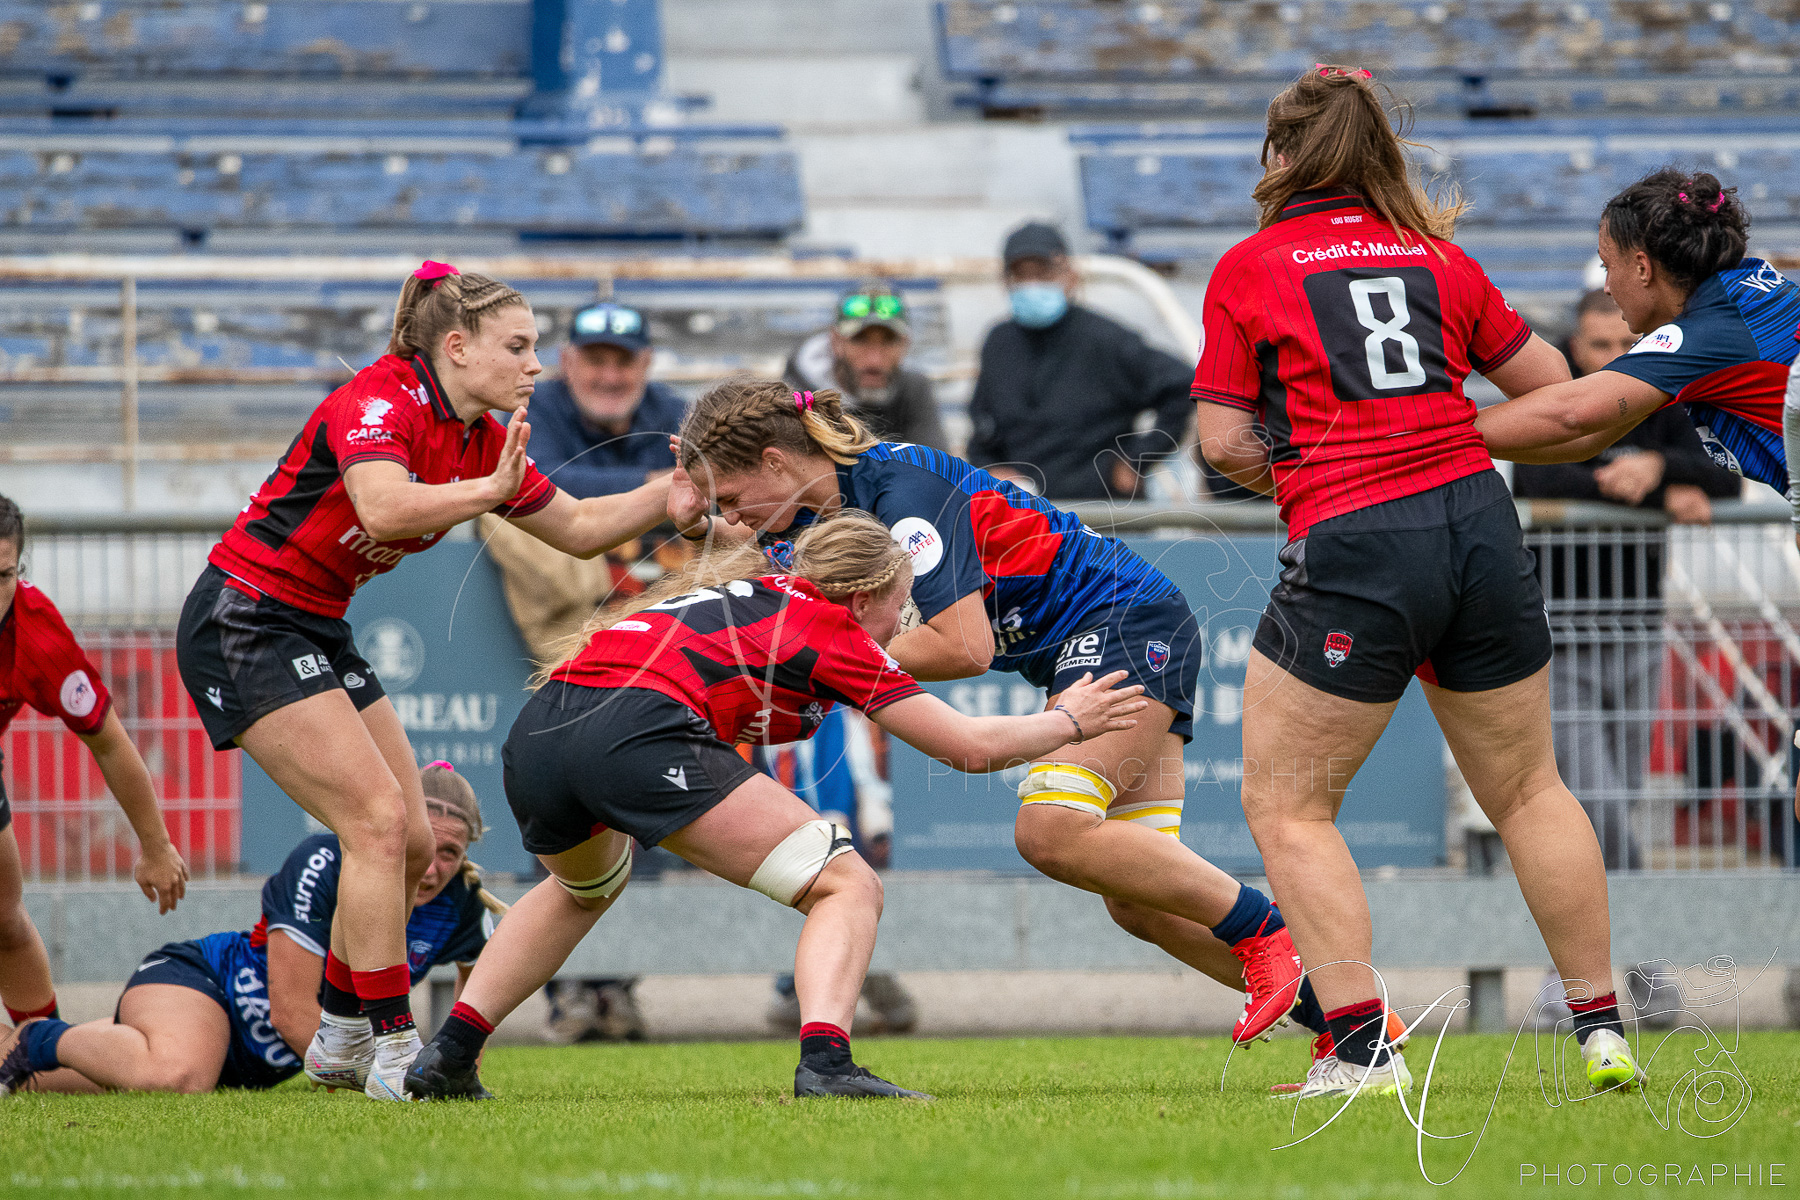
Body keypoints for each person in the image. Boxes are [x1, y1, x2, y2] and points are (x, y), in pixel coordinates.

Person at [1193, 65, 1642, 1099]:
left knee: (1290, 807)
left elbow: (1220, 441)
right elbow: (1557, 392)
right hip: (1478, 525)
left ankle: (1361, 1052)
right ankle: (1601, 1030)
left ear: (1282, 154)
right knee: (1530, 790)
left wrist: (1325, 465)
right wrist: (1440, 436)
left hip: (1357, 537)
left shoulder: (1252, 266)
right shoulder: (1439, 257)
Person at [663, 380, 1326, 1055]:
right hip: (1099, 636)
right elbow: (742, 552)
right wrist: (692, 517)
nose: (733, 517)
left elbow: (963, 646)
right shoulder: (810, 508)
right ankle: (1352, 1026)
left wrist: (819, 670)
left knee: (1051, 830)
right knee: (1142, 905)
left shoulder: (903, 496)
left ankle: (1264, 929)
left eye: (733, 498)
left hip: (1123, 622)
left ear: (775, 461)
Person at [404, 512, 1149, 1101]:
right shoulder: (834, 628)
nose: (902, 627)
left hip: (540, 730)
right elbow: (969, 747)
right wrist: (1069, 721)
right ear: (862, 598)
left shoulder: (762, 591)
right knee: (847, 883)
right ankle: (826, 1061)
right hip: (636, 730)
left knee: (581, 888)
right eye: (900, 608)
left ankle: (450, 1055)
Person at [174, 261, 669, 1100]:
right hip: (245, 618)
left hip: (312, 623)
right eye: (518, 346)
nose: (535, 366)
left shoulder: (479, 435)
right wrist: (488, 492)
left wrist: (674, 492)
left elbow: (582, 527)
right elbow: (381, 507)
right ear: (458, 346)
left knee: (406, 842)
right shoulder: (381, 399)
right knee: (375, 822)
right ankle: (395, 1049)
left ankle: (339, 1032)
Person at [0, 764, 500, 1096]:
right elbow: (292, 1013)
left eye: (450, 853)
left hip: (238, 1062)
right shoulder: (326, 862)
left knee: (42, 1082)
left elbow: (477, 992)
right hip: (203, 984)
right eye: (422, 845)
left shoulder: (461, 902)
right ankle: (39, 1034)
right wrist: (395, 1078)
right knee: (180, 1075)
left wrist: (456, 1064)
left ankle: (13, 1047)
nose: (431, 868)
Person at [1510, 290, 1739, 871]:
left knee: (1624, 792)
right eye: (1599, 345)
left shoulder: (1659, 392)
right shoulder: (1551, 393)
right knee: (1594, 797)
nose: (1615, 356)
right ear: (1573, 346)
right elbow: (1538, 480)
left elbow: (1727, 477)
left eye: (1625, 343)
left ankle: (1593, 925)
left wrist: (1658, 467)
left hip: (1638, 627)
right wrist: (1657, 493)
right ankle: (1636, 912)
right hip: (1563, 633)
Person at [1473, 171, 1799, 513]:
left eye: (1608, 267)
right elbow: (1587, 438)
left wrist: (1438, 430)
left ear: (1643, 268)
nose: (1607, 288)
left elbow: (1570, 415)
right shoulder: (1748, 287)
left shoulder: (1702, 332)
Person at [0, 494, 188, 1035]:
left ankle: (40, 1057)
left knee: (5, 921)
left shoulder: (38, 637)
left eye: (3, 575)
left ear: (19, 570)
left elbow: (110, 744)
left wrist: (156, 846)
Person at [966, 222, 1194, 500]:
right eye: (1021, 274)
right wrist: (991, 470)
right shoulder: (998, 343)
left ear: (1070, 276)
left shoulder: (1105, 339)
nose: (1032, 284)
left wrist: (1137, 460)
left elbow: (1181, 384)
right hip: (1025, 512)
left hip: (1102, 510)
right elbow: (983, 430)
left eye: (1043, 272)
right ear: (1006, 281)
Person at [525, 300, 687, 497]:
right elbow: (532, 482)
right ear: (566, 361)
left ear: (646, 362)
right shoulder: (532, 408)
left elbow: (708, 480)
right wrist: (659, 483)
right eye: (595, 361)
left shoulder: (677, 413)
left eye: (625, 361)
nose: (611, 378)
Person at [784, 281, 948, 451]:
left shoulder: (913, 389)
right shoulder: (797, 397)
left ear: (905, 345)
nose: (874, 360)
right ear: (835, 342)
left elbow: (936, 462)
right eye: (860, 340)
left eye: (888, 341)